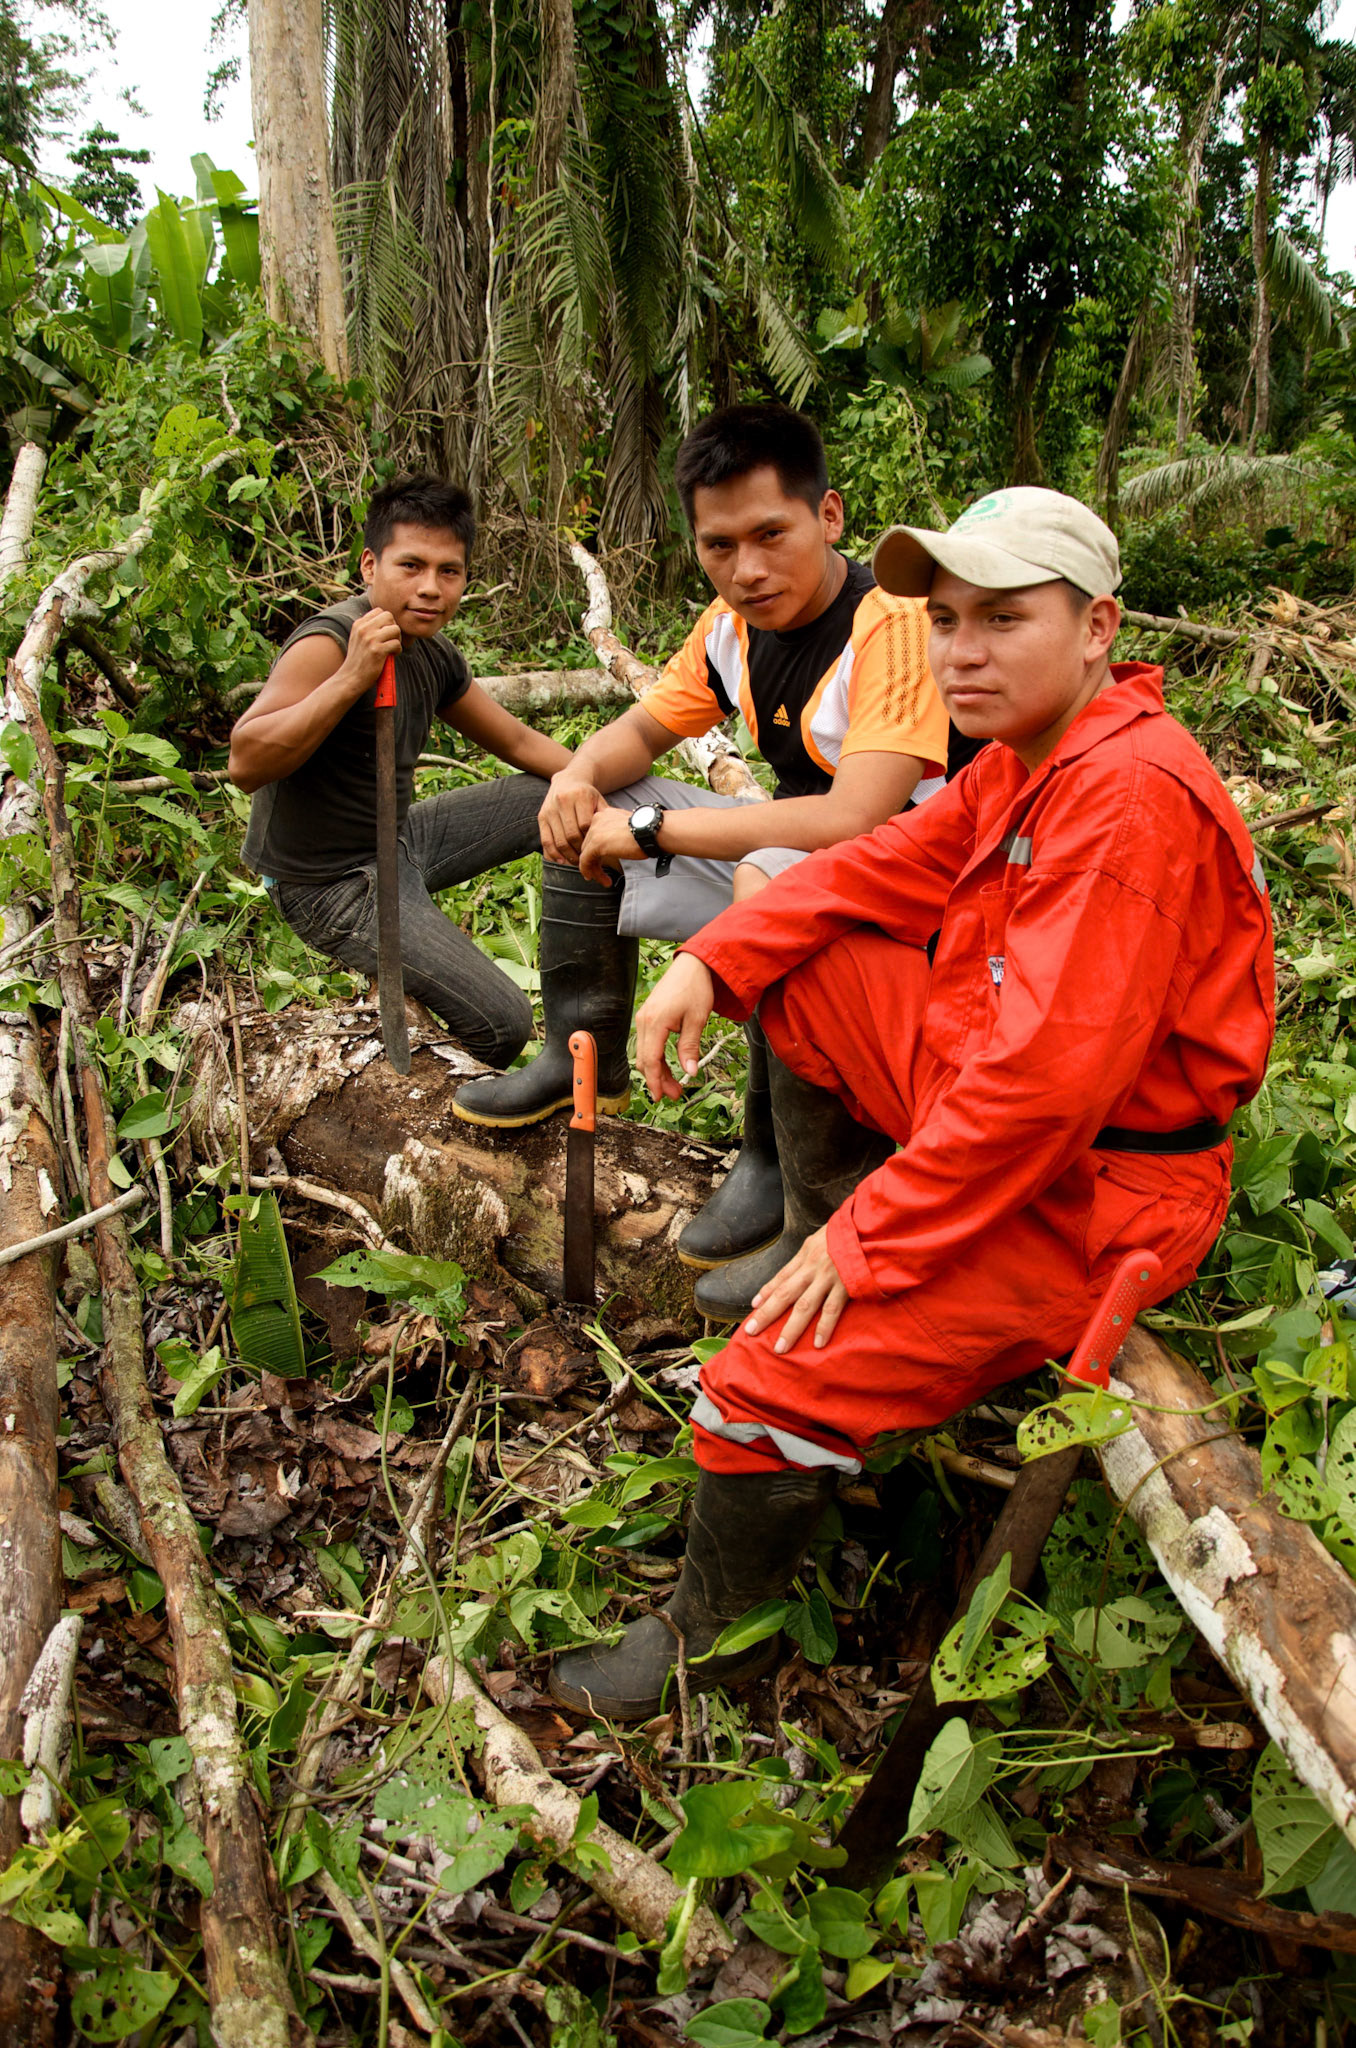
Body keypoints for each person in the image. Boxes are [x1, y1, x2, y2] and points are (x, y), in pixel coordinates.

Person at [549, 485, 1275, 1722]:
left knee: (769, 1374)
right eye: (945, 620)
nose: (961, 652)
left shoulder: (1126, 798)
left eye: (1003, 617)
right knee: (805, 950)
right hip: (1000, 1096)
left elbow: (1040, 1094)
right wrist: (715, 955)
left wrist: (869, 1236)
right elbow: (874, 865)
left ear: (1098, 627)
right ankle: (817, 1223)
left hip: (1104, 1184)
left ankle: (709, 1641)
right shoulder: (1029, 759)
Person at [451, 404, 954, 1313]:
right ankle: (581, 1056)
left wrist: (654, 831)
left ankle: (791, 1178)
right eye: (719, 545)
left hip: (916, 895)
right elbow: (642, 730)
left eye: (771, 535)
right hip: (800, 860)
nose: (747, 568)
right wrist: (578, 778)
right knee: (596, 810)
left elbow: (856, 819)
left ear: (829, 516)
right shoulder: (731, 627)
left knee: (769, 875)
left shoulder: (893, 624)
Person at [229, 473, 570, 1066]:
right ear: (370, 566)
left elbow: (516, 739)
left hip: (399, 838)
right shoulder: (330, 642)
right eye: (411, 566)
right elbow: (245, 762)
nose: (430, 588)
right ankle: (414, 1089)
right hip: (327, 885)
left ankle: (586, 1026)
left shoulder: (432, 653)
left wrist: (606, 784)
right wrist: (350, 678)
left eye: (448, 571)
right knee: (502, 1023)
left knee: (559, 796)